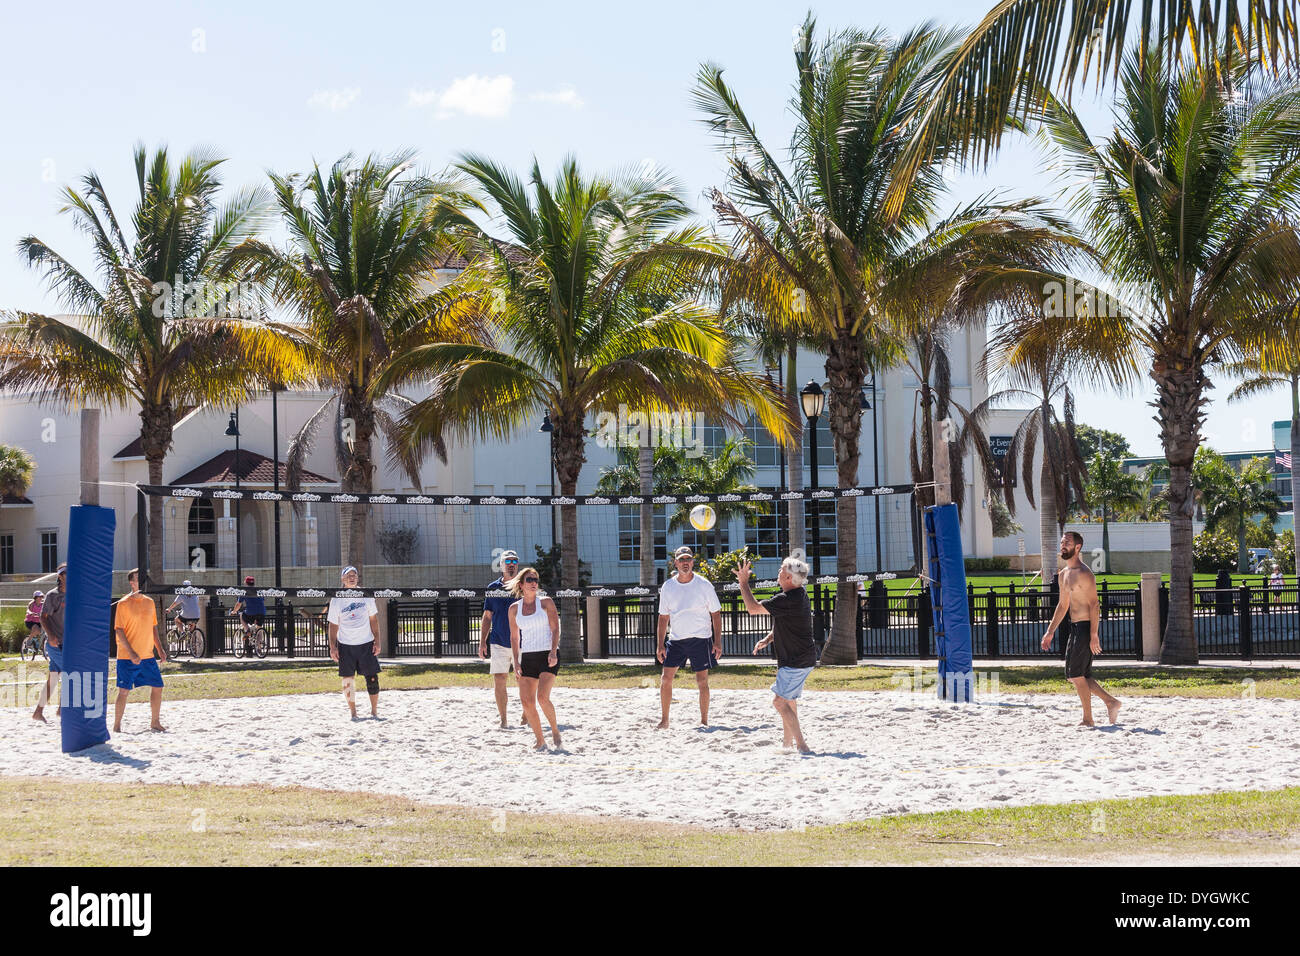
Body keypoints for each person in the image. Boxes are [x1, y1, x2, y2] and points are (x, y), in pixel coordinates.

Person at [735, 555, 817, 753]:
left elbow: (753, 609)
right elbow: (790, 622)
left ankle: (802, 745)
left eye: (782, 569)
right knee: (788, 700)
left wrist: (743, 583)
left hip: (796, 660)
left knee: (779, 702)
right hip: (801, 658)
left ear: (789, 578)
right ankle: (787, 744)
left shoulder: (788, 598)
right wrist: (769, 638)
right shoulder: (799, 594)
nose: (778, 572)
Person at [1041, 532, 1121, 727]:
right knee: (1076, 676)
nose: (1062, 545)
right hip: (1074, 628)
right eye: (1061, 542)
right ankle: (1111, 702)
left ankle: (1088, 718)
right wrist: (1050, 631)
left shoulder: (1085, 574)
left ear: (1077, 547)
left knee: (1077, 675)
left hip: (1086, 628)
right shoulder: (1063, 574)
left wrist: (1094, 635)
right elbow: (1063, 605)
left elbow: (1095, 605)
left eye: (1067, 542)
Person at [655, 545, 722, 729]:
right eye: (681, 559)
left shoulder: (703, 585)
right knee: (666, 679)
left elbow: (716, 614)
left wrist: (717, 642)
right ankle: (665, 720)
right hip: (676, 640)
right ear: (675, 563)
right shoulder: (668, 586)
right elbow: (663, 618)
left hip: (700, 639)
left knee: (702, 681)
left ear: (693, 562)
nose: (685, 563)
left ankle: (704, 720)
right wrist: (660, 645)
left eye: (688, 559)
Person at [506, 566, 561, 751]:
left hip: (547, 654)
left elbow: (555, 629)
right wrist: (516, 662)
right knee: (526, 702)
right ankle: (540, 740)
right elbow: (514, 638)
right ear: (521, 584)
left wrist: (553, 652)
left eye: (535, 580)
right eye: (529, 580)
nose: (533, 583)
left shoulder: (546, 603)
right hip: (527, 657)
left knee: (542, 698)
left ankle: (555, 731)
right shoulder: (514, 609)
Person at [113, 568, 168, 733]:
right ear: (132, 582)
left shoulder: (149, 602)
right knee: (124, 691)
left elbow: (153, 628)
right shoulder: (123, 603)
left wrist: (160, 649)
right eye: (139, 578)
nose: (143, 581)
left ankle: (155, 722)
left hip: (147, 655)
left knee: (158, 686)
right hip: (127, 657)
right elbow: (119, 631)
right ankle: (116, 726)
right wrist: (131, 653)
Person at [326, 566, 381, 719]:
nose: (352, 577)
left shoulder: (365, 595)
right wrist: (333, 647)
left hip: (366, 643)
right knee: (348, 680)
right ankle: (353, 713)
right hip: (345, 645)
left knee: (372, 678)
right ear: (343, 579)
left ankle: (374, 711)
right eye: (348, 575)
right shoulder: (337, 598)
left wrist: (378, 641)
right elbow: (333, 624)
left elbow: (373, 620)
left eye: (354, 575)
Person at [479, 549, 522, 728]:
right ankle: (503, 719)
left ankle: (527, 714)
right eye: (508, 561)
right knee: (500, 679)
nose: (511, 564)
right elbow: (487, 616)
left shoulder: (524, 586)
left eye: (514, 561)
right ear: (501, 565)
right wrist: (482, 642)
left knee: (524, 680)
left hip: (522, 642)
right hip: (498, 640)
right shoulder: (493, 588)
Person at [32, 567, 66, 723]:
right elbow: (43, 617)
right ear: (60, 576)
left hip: (67, 643)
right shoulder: (53, 595)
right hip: (55, 643)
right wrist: (51, 636)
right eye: (65, 573)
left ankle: (38, 712)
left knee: (53, 679)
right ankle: (61, 710)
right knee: (70, 673)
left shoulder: (74, 593)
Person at [230, 575, 266, 652]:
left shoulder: (244, 591)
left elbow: (238, 604)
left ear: (246, 583)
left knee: (241, 615)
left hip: (251, 613)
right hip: (262, 612)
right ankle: (259, 649)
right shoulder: (258, 590)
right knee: (259, 628)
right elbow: (262, 600)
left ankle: (247, 630)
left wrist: (234, 611)